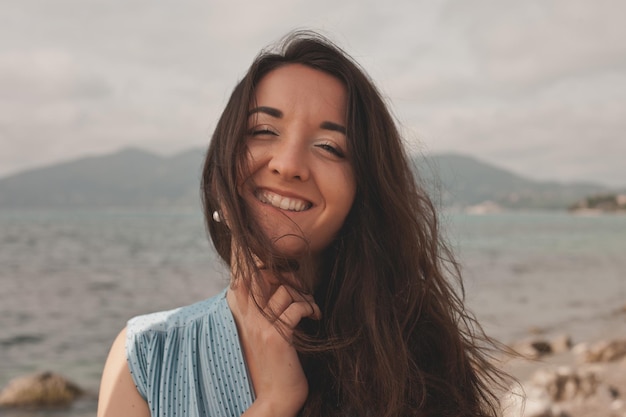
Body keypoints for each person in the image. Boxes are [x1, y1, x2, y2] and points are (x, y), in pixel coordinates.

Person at [97, 30, 508, 417]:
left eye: (329, 147)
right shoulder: (148, 357)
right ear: (222, 166)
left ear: (363, 192)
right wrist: (276, 403)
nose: (289, 164)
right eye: (262, 130)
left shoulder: (414, 358)